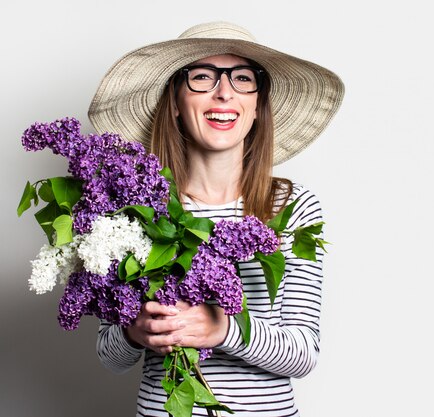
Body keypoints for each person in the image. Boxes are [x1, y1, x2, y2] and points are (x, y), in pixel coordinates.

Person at [88, 21, 344, 416]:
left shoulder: (293, 208)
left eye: (243, 78)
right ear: (174, 102)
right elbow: (110, 356)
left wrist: (222, 329)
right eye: (202, 77)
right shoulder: (134, 211)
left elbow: (303, 353)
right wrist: (133, 331)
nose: (224, 92)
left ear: (257, 105)